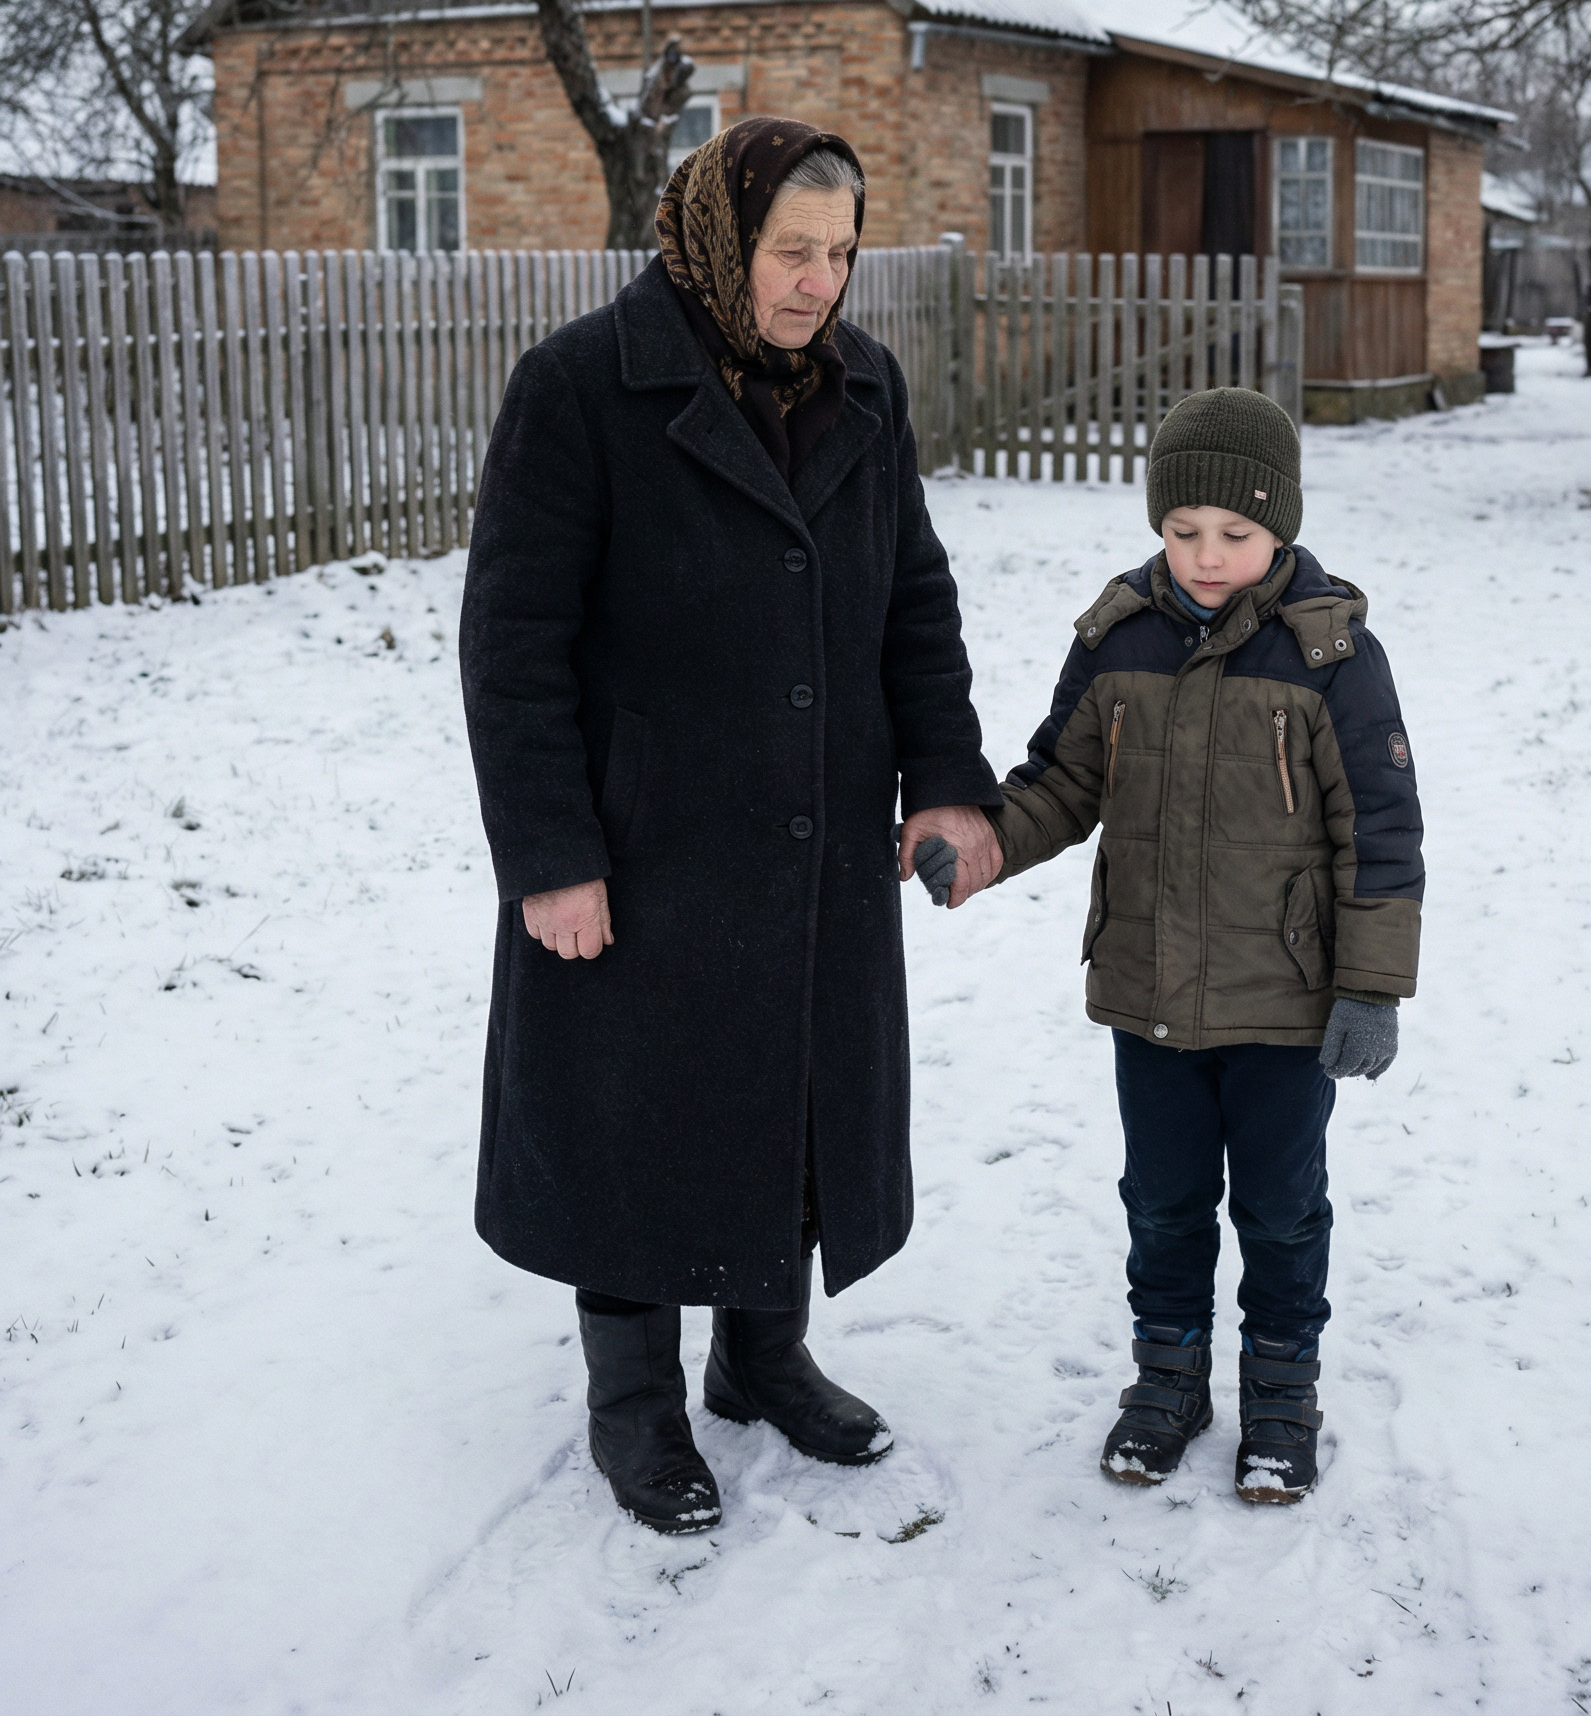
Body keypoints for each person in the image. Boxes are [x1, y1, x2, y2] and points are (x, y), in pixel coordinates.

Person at [458, 119, 1002, 1535]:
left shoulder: (864, 386)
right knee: (631, 1121)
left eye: (840, 253)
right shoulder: (581, 386)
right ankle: (632, 1405)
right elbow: (513, 644)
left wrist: (944, 774)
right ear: (718, 239)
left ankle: (763, 1361)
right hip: (646, 842)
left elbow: (912, 601)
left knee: (796, 1101)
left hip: (816, 830)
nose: (820, 283)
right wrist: (554, 857)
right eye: (791, 252)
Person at [966, 386, 1423, 1504]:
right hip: (1149, 987)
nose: (1205, 558)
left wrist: (1370, 985)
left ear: (1282, 529)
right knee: (1162, 1200)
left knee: (1277, 1206)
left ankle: (1281, 1390)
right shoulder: (1120, 634)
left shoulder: (1330, 655)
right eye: (1181, 533)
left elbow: (1380, 828)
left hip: (1286, 998)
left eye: (1235, 535)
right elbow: (1063, 779)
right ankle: (1166, 1379)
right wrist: (984, 844)